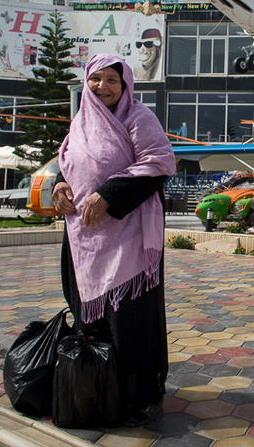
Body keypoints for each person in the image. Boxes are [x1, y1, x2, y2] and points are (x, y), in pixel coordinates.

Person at [51, 53, 176, 425]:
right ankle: (94, 390)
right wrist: (59, 185)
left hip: (129, 240)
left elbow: (159, 162)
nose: (102, 87)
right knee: (90, 319)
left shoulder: (138, 118)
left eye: (112, 81)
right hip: (85, 240)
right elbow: (67, 165)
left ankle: (135, 396)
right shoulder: (80, 123)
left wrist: (108, 195)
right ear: (85, 82)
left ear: (125, 86)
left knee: (130, 320)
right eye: (96, 79)